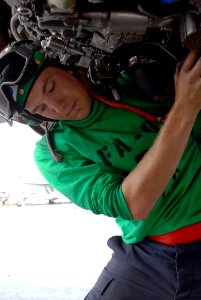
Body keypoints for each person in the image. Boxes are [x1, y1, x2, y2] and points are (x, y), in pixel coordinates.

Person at [1, 40, 201, 299]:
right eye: (41, 109)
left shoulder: (133, 83)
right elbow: (132, 204)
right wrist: (184, 107)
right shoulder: (56, 153)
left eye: (51, 87)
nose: (58, 106)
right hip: (152, 255)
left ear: (64, 67)